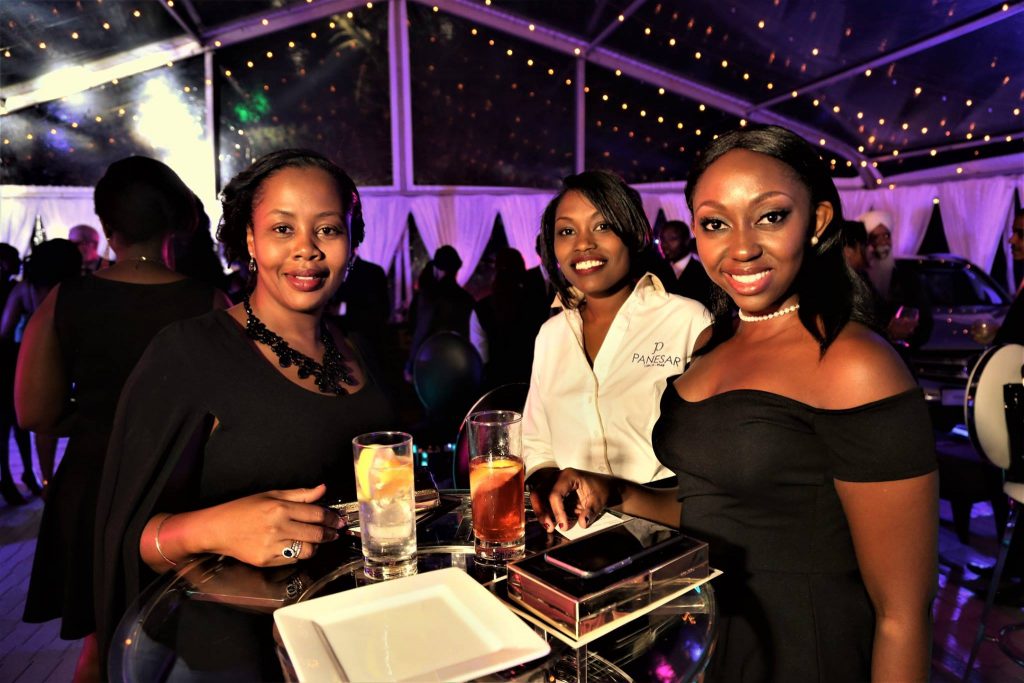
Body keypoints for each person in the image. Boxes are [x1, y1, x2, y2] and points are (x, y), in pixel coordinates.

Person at [543, 127, 938, 681]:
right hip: (698, 636)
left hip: (799, 654)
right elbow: (712, 507)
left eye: (770, 216)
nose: (742, 247)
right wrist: (615, 491)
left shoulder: (855, 364)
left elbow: (902, 616)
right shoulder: (712, 342)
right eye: (715, 223)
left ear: (818, 220)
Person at [93, 149, 394, 674]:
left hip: (352, 626)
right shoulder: (190, 352)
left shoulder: (356, 346)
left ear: (351, 242)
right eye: (282, 229)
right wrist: (216, 528)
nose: (306, 249)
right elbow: (125, 535)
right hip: (235, 650)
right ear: (251, 241)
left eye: (328, 229)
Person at [18, 157, 226, 682]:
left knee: (101, 648)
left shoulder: (67, 299)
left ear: (107, 224)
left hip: (95, 483)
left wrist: (98, 418)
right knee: (180, 642)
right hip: (181, 489)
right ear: (173, 222)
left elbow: (33, 410)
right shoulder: (208, 303)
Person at [522, 170, 710, 514]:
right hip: (573, 529)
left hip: (665, 524)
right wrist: (547, 480)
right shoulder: (551, 334)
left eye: (602, 226)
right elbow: (536, 441)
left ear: (634, 233)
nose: (583, 244)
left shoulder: (687, 321)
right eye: (567, 231)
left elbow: (713, 456)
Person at [1, 239, 83, 500]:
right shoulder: (77, 288)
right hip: (72, 358)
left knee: (34, 423)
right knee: (66, 417)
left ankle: (45, 481)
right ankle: (56, 479)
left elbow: (5, 329)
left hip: (30, 357)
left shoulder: (26, 289)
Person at [469, 247, 546, 387]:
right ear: (522, 271)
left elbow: (481, 357)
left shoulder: (481, 309)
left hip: (498, 387)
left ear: (495, 271)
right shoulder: (538, 304)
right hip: (533, 383)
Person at [405, 244, 475, 379]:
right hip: (459, 360)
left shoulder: (430, 296)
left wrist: (411, 363)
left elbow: (422, 330)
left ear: (437, 268)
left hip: (432, 358)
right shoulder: (466, 298)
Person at [0, 243, 34, 505]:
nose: (19, 264)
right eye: (14, 259)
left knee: (11, 424)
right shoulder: (15, 289)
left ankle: (17, 477)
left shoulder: (14, 287)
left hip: (9, 358)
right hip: (10, 359)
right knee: (14, 423)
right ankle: (17, 477)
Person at [658, 219, 714, 308]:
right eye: (662, 240)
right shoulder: (659, 269)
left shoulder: (702, 273)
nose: (664, 245)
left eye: (672, 239)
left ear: (686, 240)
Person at [859, 209, 896, 300]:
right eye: (875, 237)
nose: (883, 242)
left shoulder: (903, 276)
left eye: (886, 236)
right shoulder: (858, 277)